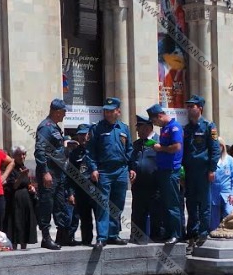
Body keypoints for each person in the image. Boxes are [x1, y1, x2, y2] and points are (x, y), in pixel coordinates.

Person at [87, 97, 135, 248]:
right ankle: (102, 237)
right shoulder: (97, 128)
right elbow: (90, 151)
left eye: (111, 111)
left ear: (118, 112)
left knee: (118, 203)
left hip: (121, 170)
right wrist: (93, 168)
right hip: (104, 171)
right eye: (106, 111)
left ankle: (113, 235)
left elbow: (130, 149)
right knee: (103, 204)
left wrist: (131, 167)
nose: (107, 114)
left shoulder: (124, 128)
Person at [182, 95, 220, 248]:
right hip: (190, 171)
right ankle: (192, 233)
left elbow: (215, 149)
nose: (189, 109)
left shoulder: (209, 126)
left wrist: (212, 169)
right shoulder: (186, 128)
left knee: (204, 204)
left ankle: (203, 232)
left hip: (203, 171)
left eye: (192, 106)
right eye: (188, 106)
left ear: (200, 108)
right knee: (191, 203)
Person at [34, 99, 70, 250]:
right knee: (46, 205)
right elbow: (39, 151)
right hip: (50, 173)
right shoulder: (46, 127)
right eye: (64, 111)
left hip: (59, 173)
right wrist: (45, 172)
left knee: (60, 204)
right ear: (57, 112)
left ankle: (62, 236)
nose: (65, 114)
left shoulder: (55, 127)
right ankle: (46, 238)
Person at [148, 105, 184, 246]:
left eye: (155, 121)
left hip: (171, 170)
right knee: (165, 204)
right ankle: (168, 232)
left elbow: (177, 147)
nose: (155, 124)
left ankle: (176, 234)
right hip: (163, 170)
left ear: (160, 116)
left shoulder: (174, 127)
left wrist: (160, 148)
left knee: (172, 204)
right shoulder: (165, 128)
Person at [130, 114, 163, 244]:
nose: (137, 130)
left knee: (157, 213)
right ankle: (138, 237)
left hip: (155, 185)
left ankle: (157, 236)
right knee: (138, 212)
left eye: (139, 127)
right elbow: (131, 161)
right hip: (139, 185)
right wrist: (131, 169)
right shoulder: (136, 144)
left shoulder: (159, 142)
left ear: (147, 127)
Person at [67, 124, 96, 246]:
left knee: (100, 216)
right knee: (85, 218)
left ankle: (103, 239)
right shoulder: (74, 154)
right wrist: (71, 193)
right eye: (80, 135)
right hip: (81, 190)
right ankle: (86, 241)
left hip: (96, 188)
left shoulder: (96, 150)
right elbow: (70, 176)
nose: (83, 137)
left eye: (85, 134)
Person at [4, 146, 38, 250]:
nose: (22, 157)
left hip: (26, 200)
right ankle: (14, 247)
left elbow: (27, 183)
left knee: (24, 224)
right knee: (16, 224)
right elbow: (13, 186)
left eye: (24, 154)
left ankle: (24, 246)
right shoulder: (11, 168)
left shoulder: (24, 167)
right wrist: (21, 177)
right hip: (15, 200)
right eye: (19, 154)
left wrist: (31, 188)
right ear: (14, 156)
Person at [210, 137, 233, 231]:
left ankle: (229, 232)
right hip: (213, 192)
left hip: (227, 192)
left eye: (220, 145)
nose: (217, 147)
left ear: (223, 146)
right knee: (214, 218)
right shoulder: (210, 159)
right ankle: (214, 233)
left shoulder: (229, 159)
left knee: (228, 213)